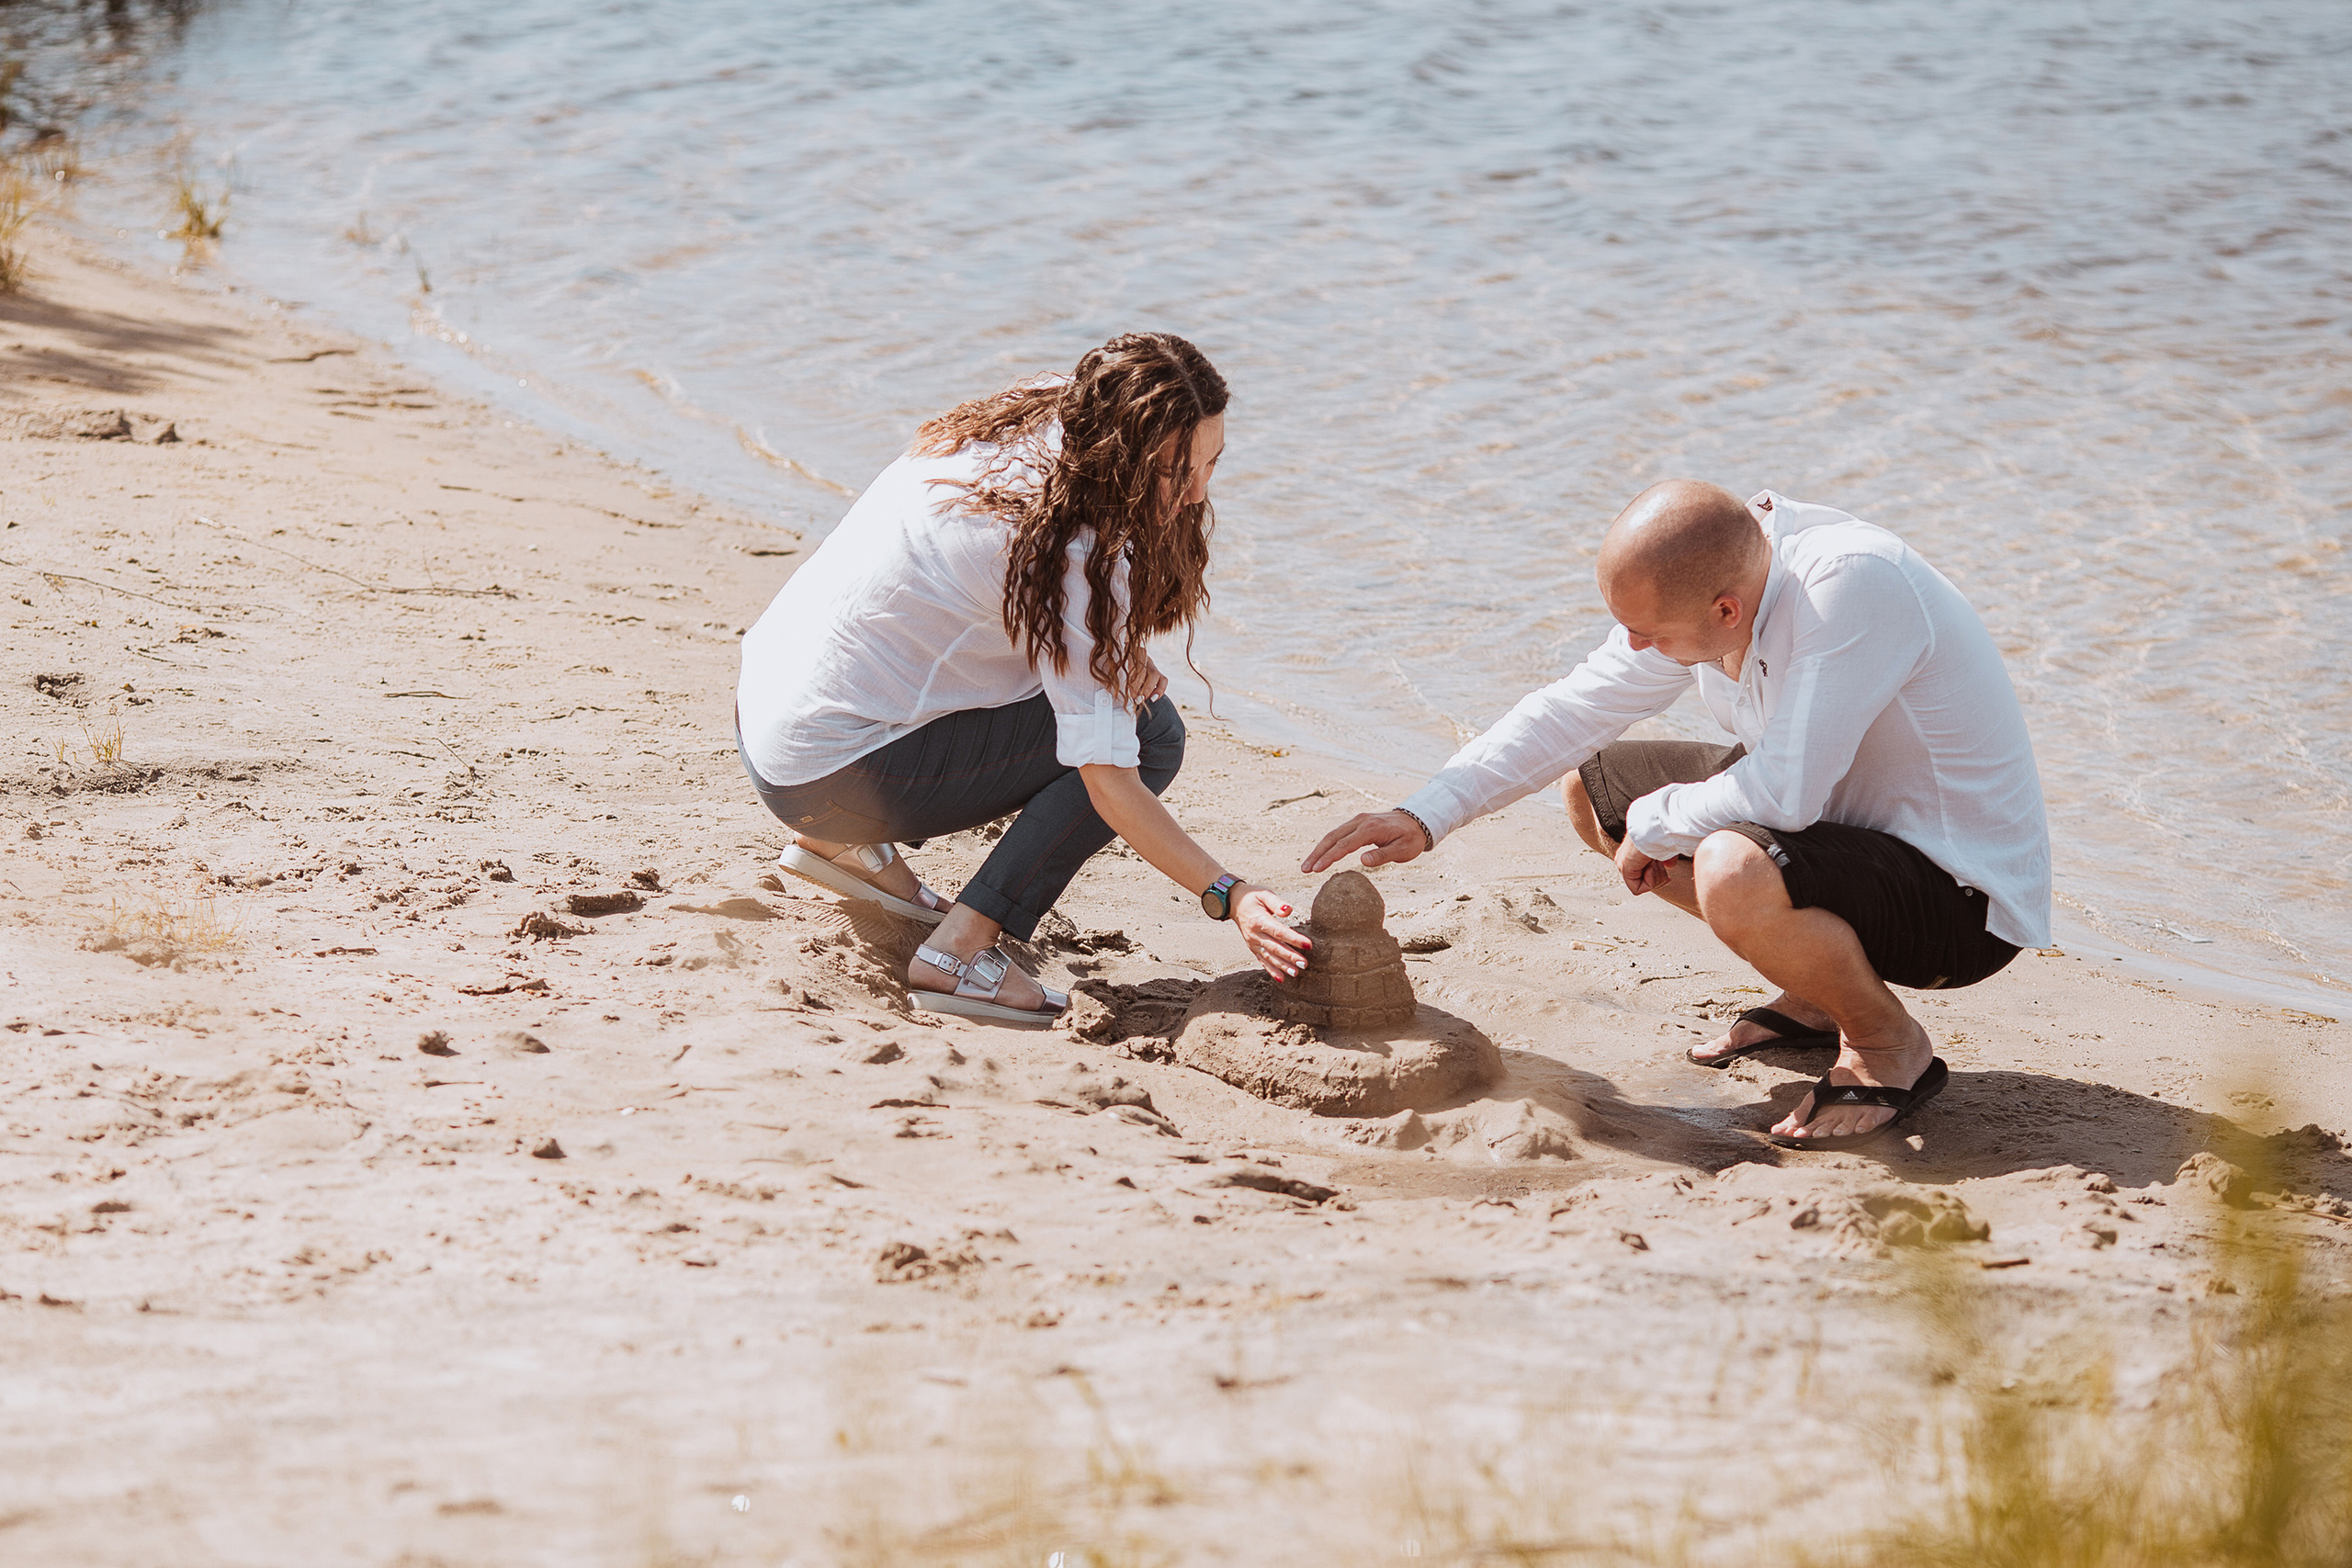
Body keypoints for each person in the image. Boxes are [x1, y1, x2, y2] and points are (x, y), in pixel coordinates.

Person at [1304, 480, 2050, 1149]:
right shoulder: (1719, 577)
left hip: (1961, 895)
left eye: (1651, 634)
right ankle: (1823, 991)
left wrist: (1664, 819)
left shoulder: (1850, 587)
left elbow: (1788, 792)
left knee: (1730, 866)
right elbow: (1573, 708)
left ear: (1725, 609)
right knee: (1593, 792)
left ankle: (1888, 1044)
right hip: (1845, 827)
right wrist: (1425, 813)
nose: (1634, 646)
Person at [735, 332, 1310, 1027]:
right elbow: (1110, 780)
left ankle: (845, 848)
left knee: (1103, 703)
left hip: (772, 713)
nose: (1195, 493)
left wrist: (1110, 652)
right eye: (1171, 471)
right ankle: (956, 951)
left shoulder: (1042, 409)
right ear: (1120, 452)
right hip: (822, 777)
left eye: (1211, 463)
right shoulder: (1072, 551)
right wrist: (1230, 893)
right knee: (1152, 736)